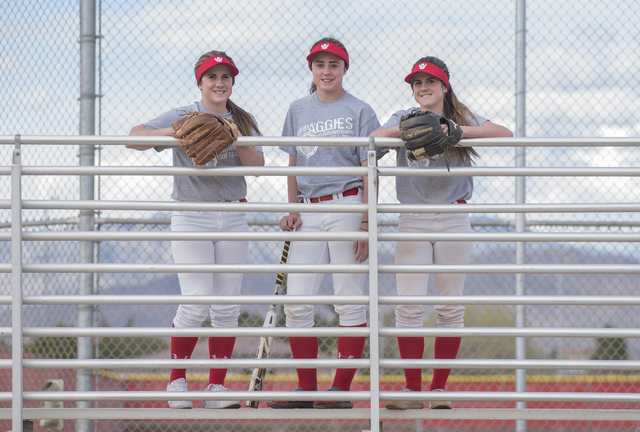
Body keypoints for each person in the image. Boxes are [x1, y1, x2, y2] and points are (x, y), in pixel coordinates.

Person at [371, 56, 513, 410]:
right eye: (417, 83)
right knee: (409, 304)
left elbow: (504, 133)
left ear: (444, 86)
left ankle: (438, 390)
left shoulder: (461, 117)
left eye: (430, 82)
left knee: (449, 305)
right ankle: (412, 389)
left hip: (453, 216)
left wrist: (453, 131)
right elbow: (373, 138)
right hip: (413, 217)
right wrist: (407, 130)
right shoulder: (403, 116)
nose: (423, 88)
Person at [127, 50, 265, 409]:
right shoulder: (183, 113)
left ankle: (216, 387)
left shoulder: (241, 118)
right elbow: (133, 137)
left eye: (225, 77)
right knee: (195, 300)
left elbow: (258, 165)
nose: (219, 83)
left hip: (233, 214)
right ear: (199, 82)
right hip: (192, 214)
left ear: (233, 82)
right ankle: (176, 383)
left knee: (227, 305)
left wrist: (231, 134)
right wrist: (175, 132)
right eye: (211, 77)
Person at [266, 37, 381, 410]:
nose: (326, 71)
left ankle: (341, 389)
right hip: (309, 210)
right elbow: (294, 162)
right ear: (311, 70)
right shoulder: (298, 108)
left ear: (345, 69)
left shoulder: (360, 110)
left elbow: (370, 168)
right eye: (320, 65)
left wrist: (366, 219)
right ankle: (307, 388)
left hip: (348, 203)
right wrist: (292, 206)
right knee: (297, 301)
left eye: (334, 64)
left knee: (348, 296)